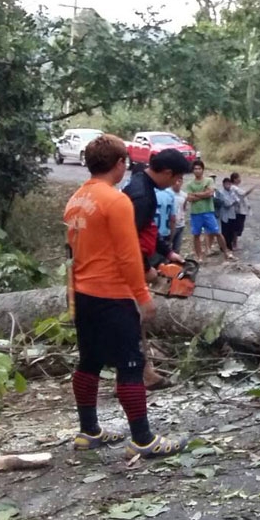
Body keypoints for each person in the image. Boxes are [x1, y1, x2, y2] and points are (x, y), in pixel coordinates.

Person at [63, 134, 187, 459]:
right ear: (120, 164)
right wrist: (143, 296)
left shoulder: (77, 199)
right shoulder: (115, 201)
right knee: (131, 364)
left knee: (89, 362)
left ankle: (88, 431)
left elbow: (72, 251)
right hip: (112, 295)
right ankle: (143, 439)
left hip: (83, 293)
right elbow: (128, 256)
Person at [121, 148, 192, 392]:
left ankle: (140, 372)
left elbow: (147, 228)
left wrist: (168, 251)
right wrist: (146, 268)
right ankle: (137, 374)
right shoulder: (142, 195)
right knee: (134, 317)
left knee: (134, 318)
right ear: (168, 173)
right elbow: (127, 238)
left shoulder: (143, 186)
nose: (175, 183)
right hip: (128, 265)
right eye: (176, 178)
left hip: (136, 259)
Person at [185, 160, 234, 262]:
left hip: (208, 211)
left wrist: (196, 194)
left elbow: (210, 193)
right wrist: (203, 193)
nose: (197, 171)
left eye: (199, 168)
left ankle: (226, 252)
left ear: (203, 170)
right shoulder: (189, 184)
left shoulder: (209, 181)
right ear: (193, 170)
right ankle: (199, 256)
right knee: (196, 235)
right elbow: (189, 198)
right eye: (195, 169)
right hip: (195, 212)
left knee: (216, 232)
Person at [227, 172, 256, 251]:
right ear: (235, 179)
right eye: (238, 178)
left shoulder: (234, 187)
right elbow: (244, 194)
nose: (240, 179)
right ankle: (234, 244)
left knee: (237, 227)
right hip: (238, 210)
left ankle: (234, 243)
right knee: (237, 228)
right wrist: (252, 188)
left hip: (239, 210)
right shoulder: (234, 188)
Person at [216, 177, 239, 250]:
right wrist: (233, 202)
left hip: (232, 214)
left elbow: (237, 200)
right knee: (224, 232)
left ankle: (230, 246)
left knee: (231, 231)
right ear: (223, 184)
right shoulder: (220, 192)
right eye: (226, 184)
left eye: (229, 184)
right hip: (224, 215)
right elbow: (226, 204)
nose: (228, 185)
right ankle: (223, 247)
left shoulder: (232, 191)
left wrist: (232, 202)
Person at [170, 175, 187, 255]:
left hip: (181, 224)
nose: (177, 183)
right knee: (168, 248)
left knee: (177, 248)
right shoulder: (168, 193)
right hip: (171, 225)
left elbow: (184, 207)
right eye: (176, 181)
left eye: (179, 181)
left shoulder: (184, 195)